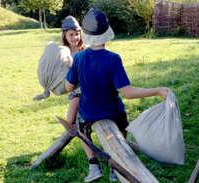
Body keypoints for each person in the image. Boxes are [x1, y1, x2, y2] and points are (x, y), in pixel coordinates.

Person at [65, 8, 169, 182]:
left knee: (81, 129)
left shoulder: (79, 58)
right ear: (107, 33)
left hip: (89, 113)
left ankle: (93, 165)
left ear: (86, 35)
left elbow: (69, 88)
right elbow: (127, 93)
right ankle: (115, 167)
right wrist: (157, 90)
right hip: (114, 113)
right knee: (122, 127)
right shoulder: (114, 59)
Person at [33, 16, 86, 101]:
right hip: (67, 84)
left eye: (77, 34)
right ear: (65, 35)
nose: (75, 37)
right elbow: (56, 69)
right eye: (71, 34)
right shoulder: (62, 51)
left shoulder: (84, 49)